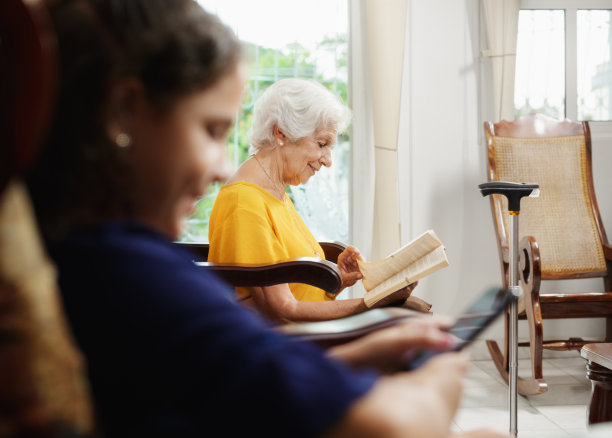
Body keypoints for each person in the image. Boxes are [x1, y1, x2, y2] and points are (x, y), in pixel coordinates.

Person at [26, 1, 507, 437]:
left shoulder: (87, 254)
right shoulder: (132, 276)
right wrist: (437, 378)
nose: (219, 168)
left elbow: (241, 364)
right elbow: (389, 425)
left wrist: (359, 342)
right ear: (125, 112)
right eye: (211, 131)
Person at [208, 78, 428, 323]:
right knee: (411, 319)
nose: (328, 160)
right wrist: (374, 303)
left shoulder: (274, 192)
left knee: (413, 316)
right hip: (289, 343)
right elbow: (282, 312)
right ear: (280, 133)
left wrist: (338, 279)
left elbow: (297, 291)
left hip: (307, 334)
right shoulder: (244, 201)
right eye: (321, 144)